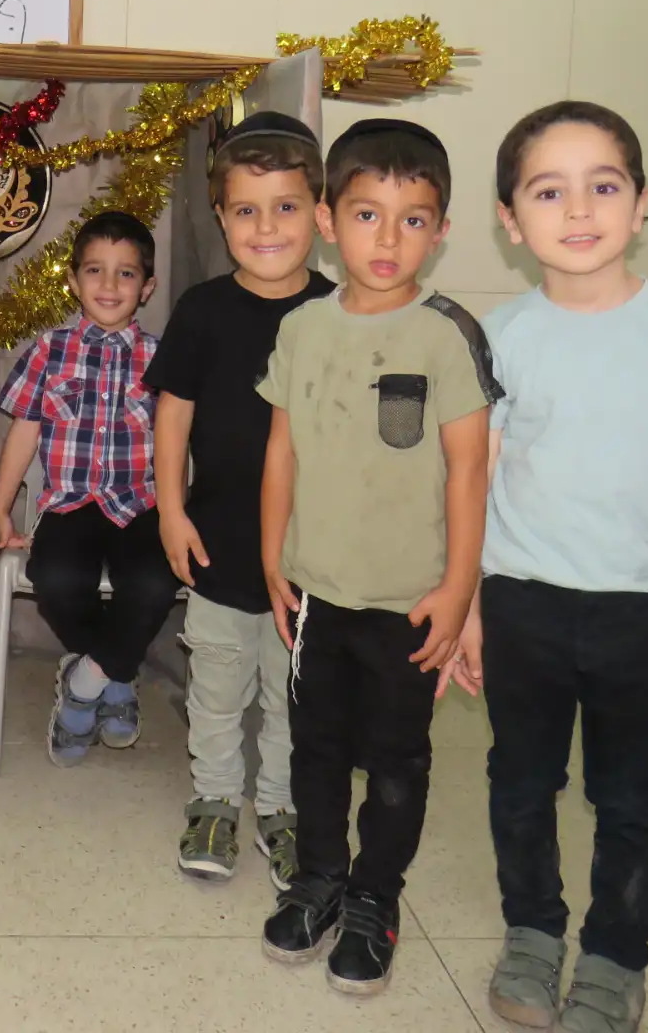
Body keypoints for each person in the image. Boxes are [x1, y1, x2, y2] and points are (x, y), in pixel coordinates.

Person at [455, 103, 648, 1033]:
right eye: (549, 192)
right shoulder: (499, 336)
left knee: (629, 798)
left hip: (644, 609)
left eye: (603, 186)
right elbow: (475, 483)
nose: (579, 210)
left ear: (641, 202)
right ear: (511, 219)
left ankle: (617, 960)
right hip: (521, 599)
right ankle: (533, 934)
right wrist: (466, 606)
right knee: (519, 782)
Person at [257, 118, 496, 996]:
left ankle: (375, 897)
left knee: (397, 763)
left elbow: (470, 471)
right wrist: (272, 559)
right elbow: (281, 451)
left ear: (441, 230)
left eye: (413, 219)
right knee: (314, 748)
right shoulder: (302, 329)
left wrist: (459, 588)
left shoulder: (448, 335)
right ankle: (320, 876)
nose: (388, 240)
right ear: (328, 220)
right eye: (367, 215)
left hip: (410, 601)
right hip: (317, 589)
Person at [146, 112, 333, 886]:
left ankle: (283, 809)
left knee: (295, 697)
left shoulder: (341, 315)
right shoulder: (201, 310)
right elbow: (173, 415)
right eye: (246, 210)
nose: (267, 227)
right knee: (218, 688)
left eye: (286, 207)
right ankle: (216, 802)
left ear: (321, 214)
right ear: (221, 218)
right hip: (217, 539)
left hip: (312, 553)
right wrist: (170, 510)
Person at [0, 211, 177, 766]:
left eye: (126, 273)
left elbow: (176, 444)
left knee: (154, 582)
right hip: (70, 504)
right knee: (55, 579)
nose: (109, 284)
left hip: (139, 506)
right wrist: (1, 510)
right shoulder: (48, 350)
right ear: (73, 280)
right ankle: (116, 676)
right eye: (95, 270)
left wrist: (178, 515)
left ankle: (86, 680)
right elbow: (24, 432)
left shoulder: (162, 359)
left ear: (147, 287)